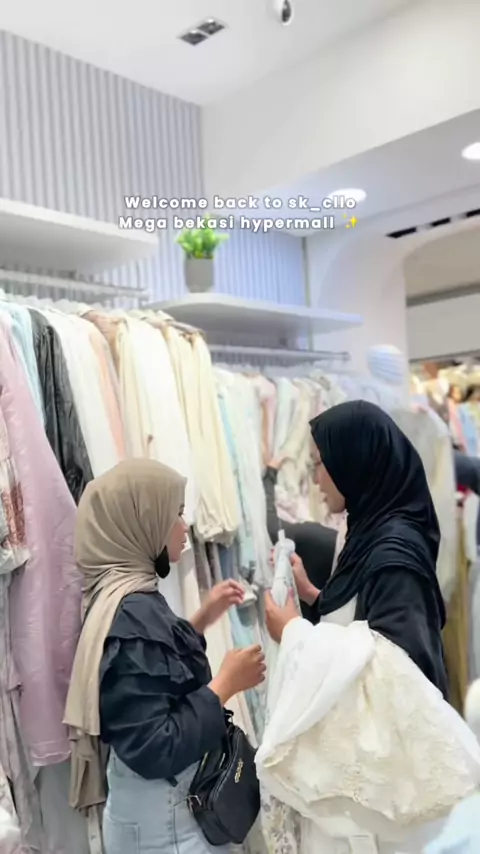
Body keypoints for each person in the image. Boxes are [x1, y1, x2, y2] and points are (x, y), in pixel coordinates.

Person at [63, 459, 266, 854]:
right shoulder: (130, 611)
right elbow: (156, 745)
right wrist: (225, 685)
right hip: (167, 828)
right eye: (176, 513)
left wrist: (202, 618)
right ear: (143, 520)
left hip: (162, 817)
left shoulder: (125, 595)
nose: (184, 526)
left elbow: (154, 676)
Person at [265, 398, 448, 696]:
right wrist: (311, 594)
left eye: (318, 463)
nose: (315, 480)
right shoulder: (366, 532)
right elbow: (364, 620)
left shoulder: (394, 559)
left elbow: (393, 673)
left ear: (352, 460)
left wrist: (293, 632)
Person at [263, 456, 337, 618]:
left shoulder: (321, 540)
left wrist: (269, 476)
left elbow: (271, 526)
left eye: (317, 464)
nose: (316, 481)